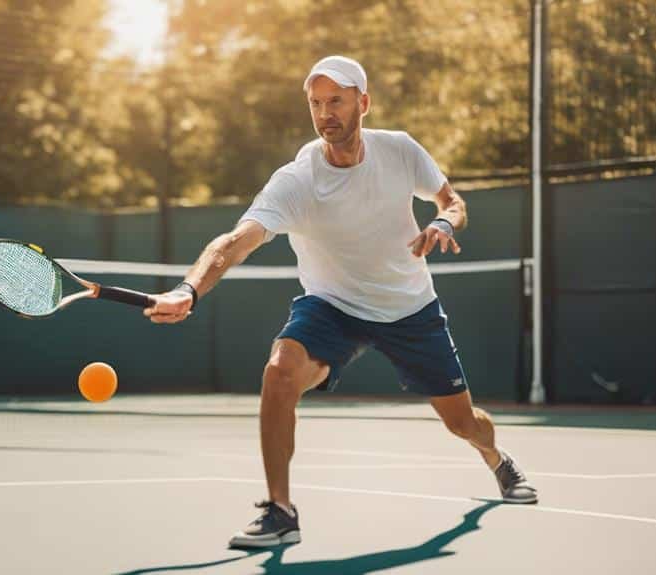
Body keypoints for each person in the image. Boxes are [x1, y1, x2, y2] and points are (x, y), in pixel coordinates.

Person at [143, 55, 538, 549]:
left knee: (462, 422)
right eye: (315, 103)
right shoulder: (296, 180)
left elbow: (452, 202)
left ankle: (498, 460)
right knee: (280, 371)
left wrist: (441, 223)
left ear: (363, 103)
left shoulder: (399, 151)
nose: (325, 112)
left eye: (336, 101)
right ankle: (281, 512)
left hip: (409, 308)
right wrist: (188, 290)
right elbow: (233, 242)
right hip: (332, 306)